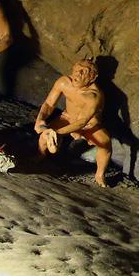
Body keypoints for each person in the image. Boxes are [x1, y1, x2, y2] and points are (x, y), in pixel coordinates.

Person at [34, 58, 114, 187]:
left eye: (83, 72)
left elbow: (82, 122)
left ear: (92, 78)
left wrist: (57, 133)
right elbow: (49, 104)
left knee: (105, 142)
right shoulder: (64, 83)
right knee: (45, 136)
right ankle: (40, 155)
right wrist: (40, 120)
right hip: (68, 118)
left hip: (88, 124)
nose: (77, 74)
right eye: (76, 70)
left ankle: (100, 175)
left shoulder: (93, 96)